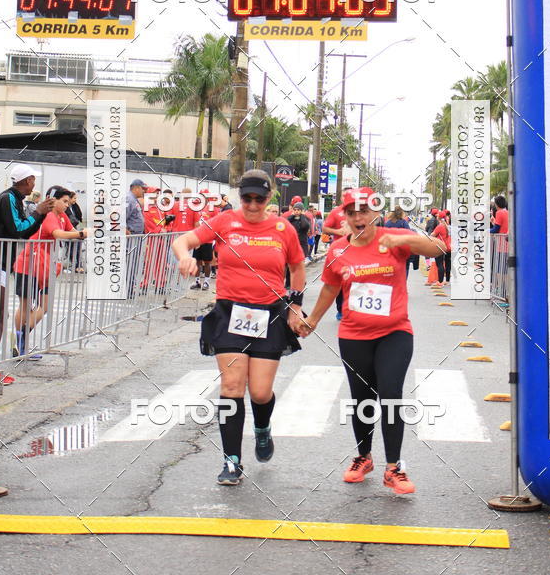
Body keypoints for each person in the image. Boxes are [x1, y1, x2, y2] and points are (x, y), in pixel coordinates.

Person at [296, 187, 445, 495]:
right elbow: (329, 288)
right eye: (352, 212)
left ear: (376, 213)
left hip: (395, 332)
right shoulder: (338, 250)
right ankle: (363, 457)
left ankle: (394, 468)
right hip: (353, 335)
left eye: (364, 211)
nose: (358, 217)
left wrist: (404, 239)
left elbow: (440, 248)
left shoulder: (392, 239)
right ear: (345, 217)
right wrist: (312, 320)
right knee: (361, 399)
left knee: (390, 394)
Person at [172, 169, 306, 486]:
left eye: (259, 199)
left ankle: (262, 429)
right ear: (240, 196)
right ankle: (232, 462)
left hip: (269, 313)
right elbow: (183, 240)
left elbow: (297, 266)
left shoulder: (282, 228)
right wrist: (184, 257)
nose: (252, 205)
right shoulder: (225, 222)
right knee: (232, 386)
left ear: (269, 198)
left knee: (259, 392)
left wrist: (295, 307)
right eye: (247, 198)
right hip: (231, 312)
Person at [0, 164, 54, 382]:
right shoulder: (8, 199)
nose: (34, 183)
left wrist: (39, 214)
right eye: (33, 180)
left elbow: (23, 231)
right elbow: (18, 230)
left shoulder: (13, 199)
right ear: (26, 181)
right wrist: (38, 212)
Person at [13, 186, 88, 359]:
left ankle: (21, 338)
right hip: (29, 264)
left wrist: (87, 233)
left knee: (44, 306)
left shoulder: (62, 216)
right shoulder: (48, 216)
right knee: (25, 306)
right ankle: (19, 342)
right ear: (52, 200)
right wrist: (83, 233)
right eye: (64, 202)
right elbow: (59, 234)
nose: (67, 206)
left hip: (46, 267)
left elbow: (70, 231)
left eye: (68, 202)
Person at [322, 191, 350, 320]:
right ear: (340, 197)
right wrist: (337, 231)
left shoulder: (360, 211)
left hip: (356, 249)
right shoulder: (336, 212)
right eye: (344, 195)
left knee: (354, 279)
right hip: (339, 250)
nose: (346, 198)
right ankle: (341, 309)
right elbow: (325, 228)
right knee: (339, 280)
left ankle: (352, 308)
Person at [125, 178, 146, 299]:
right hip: (131, 236)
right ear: (136, 187)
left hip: (136, 236)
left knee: (133, 263)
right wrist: (124, 228)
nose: (143, 191)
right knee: (130, 263)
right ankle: (127, 289)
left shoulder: (134, 200)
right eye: (142, 188)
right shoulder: (129, 199)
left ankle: (130, 287)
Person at [65, 192, 84, 273]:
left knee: (78, 247)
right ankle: (73, 265)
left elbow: (78, 217)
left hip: (76, 228)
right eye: (74, 198)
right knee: (71, 248)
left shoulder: (75, 206)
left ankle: (78, 265)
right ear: (69, 198)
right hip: (69, 229)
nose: (75, 200)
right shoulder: (66, 208)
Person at [432, 211, 452, 286]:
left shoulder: (440, 226)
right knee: (443, 264)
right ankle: (442, 281)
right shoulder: (445, 225)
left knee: (439, 264)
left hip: (439, 247)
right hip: (444, 246)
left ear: (438, 217)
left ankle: (440, 282)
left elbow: (432, 234)